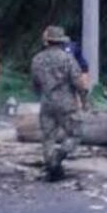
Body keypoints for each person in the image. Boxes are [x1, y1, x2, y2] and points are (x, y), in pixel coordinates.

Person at [31, 26, 88, 182]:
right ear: (61, 42)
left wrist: (41, 96)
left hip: (47, 102)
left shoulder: (37, 59)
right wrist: (84, 100)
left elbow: (35, 84)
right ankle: (59, 155)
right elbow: (78, 82)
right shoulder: (68, 59)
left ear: (47, 42)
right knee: (76, 134)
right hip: (66, 103)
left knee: (48, 137)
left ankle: (51, 165)